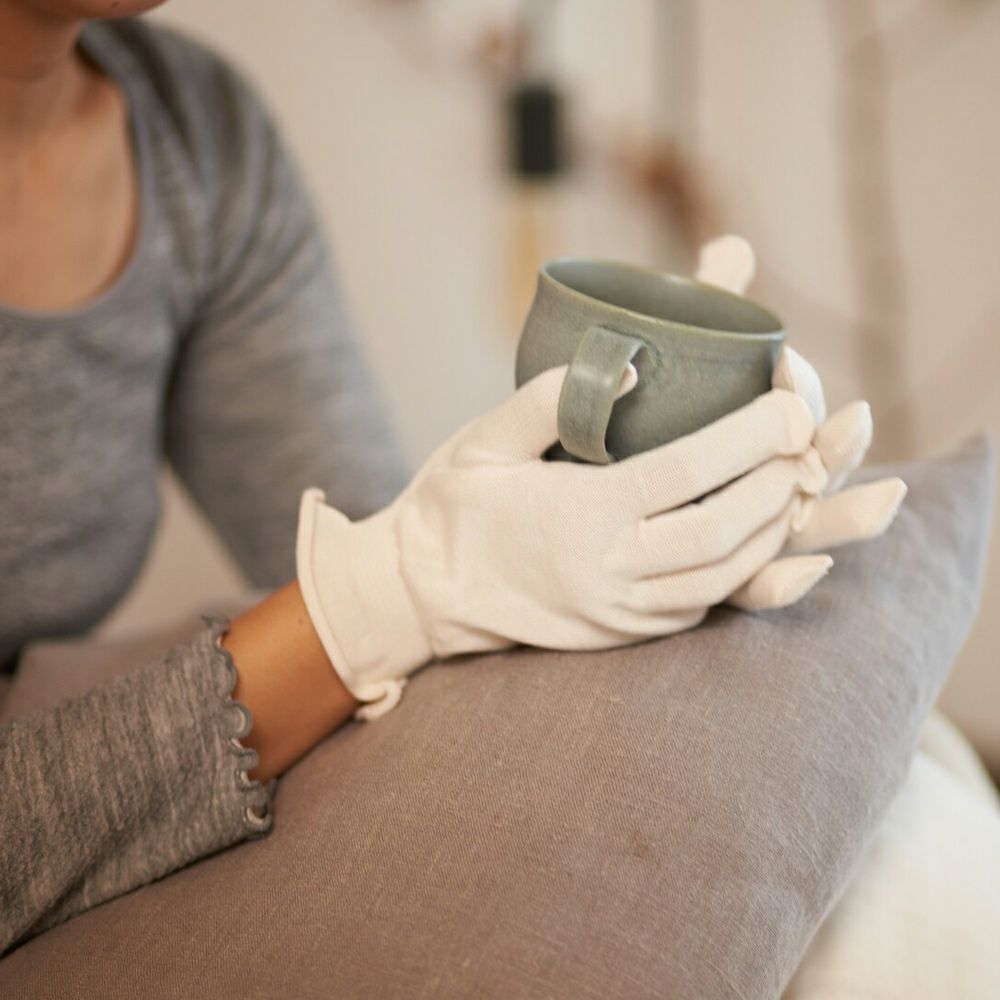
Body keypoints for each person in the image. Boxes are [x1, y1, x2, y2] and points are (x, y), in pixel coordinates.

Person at [0, 0, 904, 957]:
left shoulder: (194, 136)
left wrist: (640, 500)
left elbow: (369, 527)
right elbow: (394, 578)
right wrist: (397, 591)